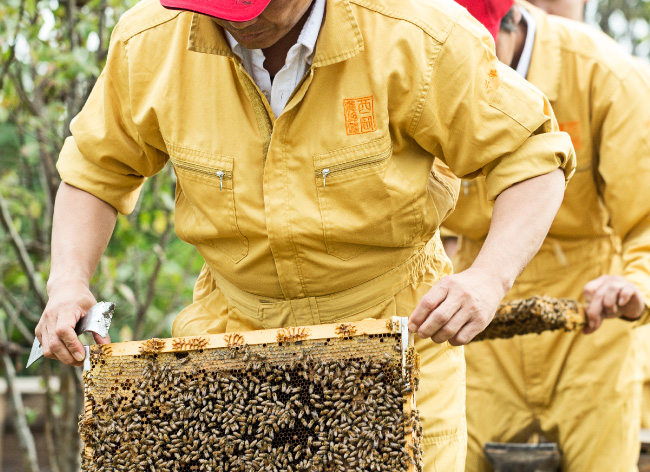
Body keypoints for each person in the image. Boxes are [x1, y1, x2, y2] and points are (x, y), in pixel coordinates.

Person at [35, 0, 575, 467]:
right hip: (233, 338)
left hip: (396, 336)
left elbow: (530, 156)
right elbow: (96, 171)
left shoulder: (415, 32)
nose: (240, 22)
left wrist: (487, 279)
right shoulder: (149, 41)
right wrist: (67, 282)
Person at [445, 0, 650, 470]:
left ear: (510, 22)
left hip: (592, 321)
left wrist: (636, 286)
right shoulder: (421, 77)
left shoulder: (604, 74)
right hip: (480, 322)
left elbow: (646, 218)